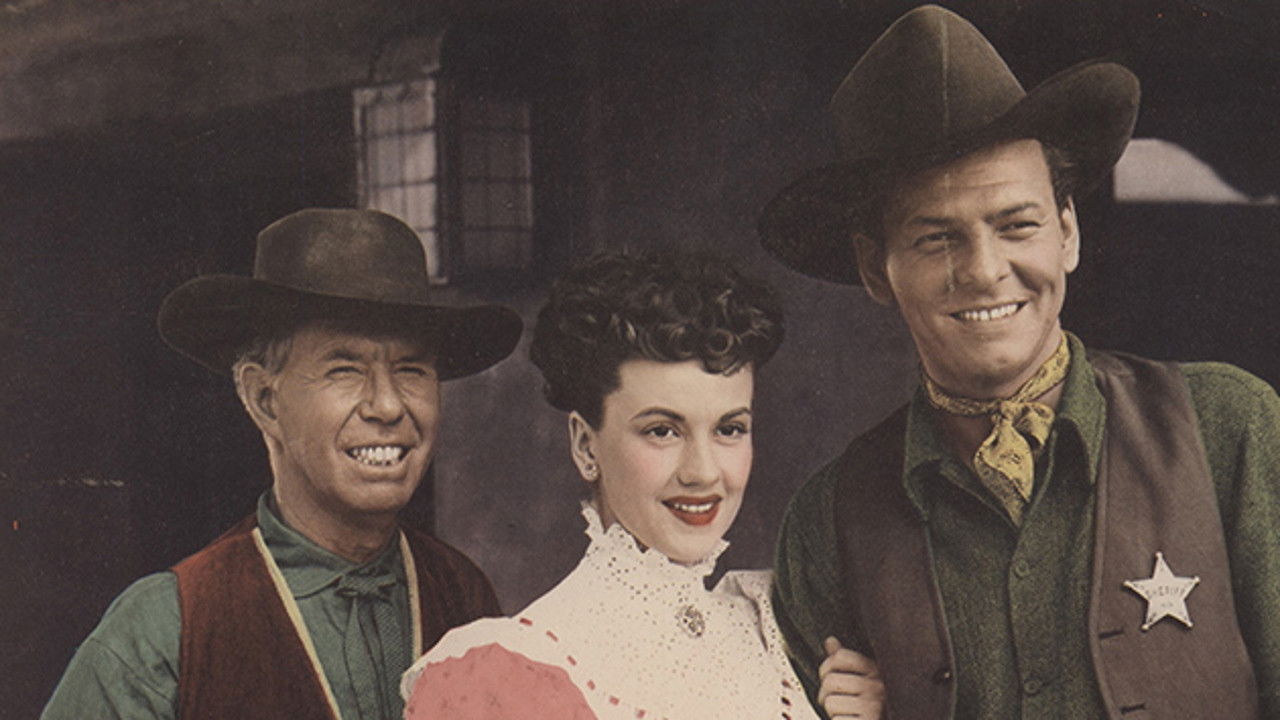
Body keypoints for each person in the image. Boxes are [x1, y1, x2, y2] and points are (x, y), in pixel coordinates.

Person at [760, 5, 1280, 719]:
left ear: (1067, 234)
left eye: (1017, 225)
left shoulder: (1228, 429)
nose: (984, 271)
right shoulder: (828, 522)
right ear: (876, 269)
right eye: (937, 238)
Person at [41, 208, 522, 720]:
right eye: (344, 369)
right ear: (264, 399)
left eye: (411, 369)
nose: (387, 406)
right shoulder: (168, 630)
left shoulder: (465, 596)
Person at [399, 252, 884, 719]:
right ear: (585, 445)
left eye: (729, 429)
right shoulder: (504, 674)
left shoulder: (782, 632)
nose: (703, 472)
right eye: (662, 431)